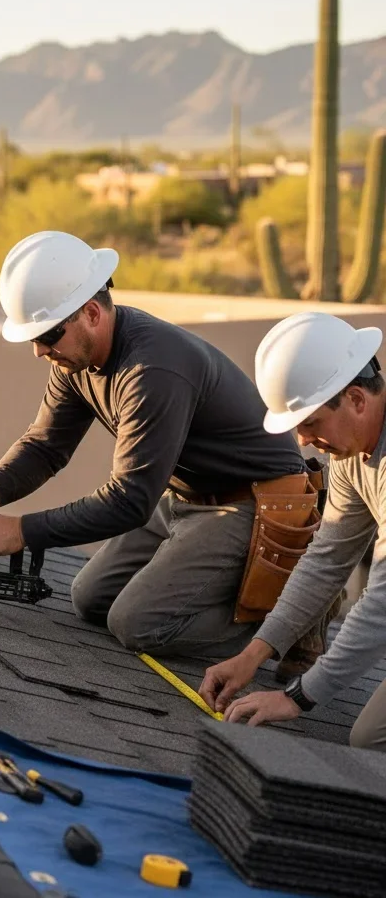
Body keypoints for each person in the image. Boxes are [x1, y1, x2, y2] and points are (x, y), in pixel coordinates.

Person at [0, 230, 319, 661]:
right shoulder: (75, 360)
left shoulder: (153, 368)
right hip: (187, 498)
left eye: (48, 335)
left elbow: (129, 501)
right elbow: (46, 445)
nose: (38, 351)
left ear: (91, 312)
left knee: (138, 624)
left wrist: (21, 531)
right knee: (90, 599)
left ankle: (295, 615)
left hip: (257, 503)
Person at [199, 312, 386, 750]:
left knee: (371, 743)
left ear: (357, 400)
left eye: (310, 422)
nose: (302, 441)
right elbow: (325, 562)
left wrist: (297, 698)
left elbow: (382, 602)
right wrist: (253, 656)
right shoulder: (350, 456)